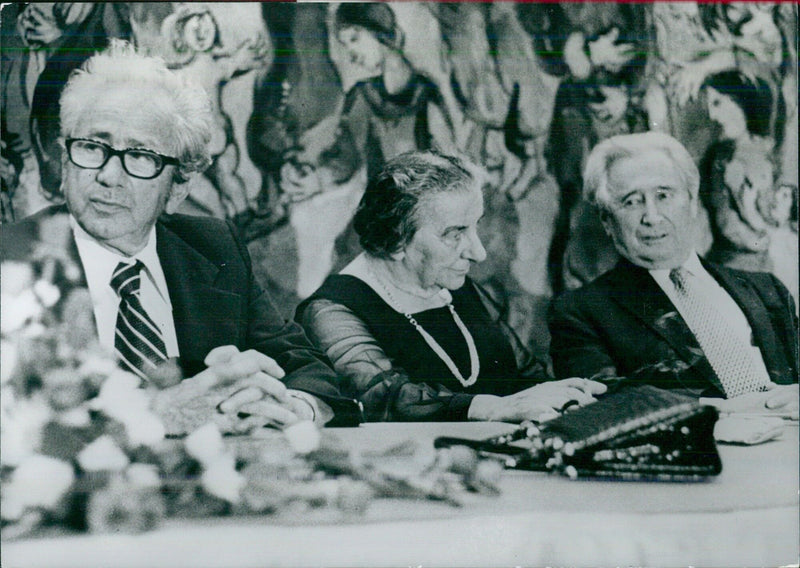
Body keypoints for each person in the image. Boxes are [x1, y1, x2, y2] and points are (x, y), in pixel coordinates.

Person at [0, 41, 362, 432]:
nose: (107, 175)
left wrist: (294, 406)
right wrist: (155, 415)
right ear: (64, 158)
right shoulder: (12, 260)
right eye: (91, 147)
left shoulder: (213, 246)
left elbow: (305, 366)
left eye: (141, 156)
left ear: (179, 186)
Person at [296, 150, 606, 422]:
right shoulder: (330, 311)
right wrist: (492, 408)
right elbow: (384, 397)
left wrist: (567, 395)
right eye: (454, 234)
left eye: (475, 226)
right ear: (395, 240)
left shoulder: (455, 286)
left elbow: (523, 376)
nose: (478, 252)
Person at [548, 132, 798, 417]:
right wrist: (727, 410)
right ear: (607, 220)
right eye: (631, 202)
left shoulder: (768, 290)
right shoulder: (580, 313)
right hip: (706, 453)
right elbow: (602, 403)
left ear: (692, 201)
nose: (652, 216)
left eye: (663, 195)